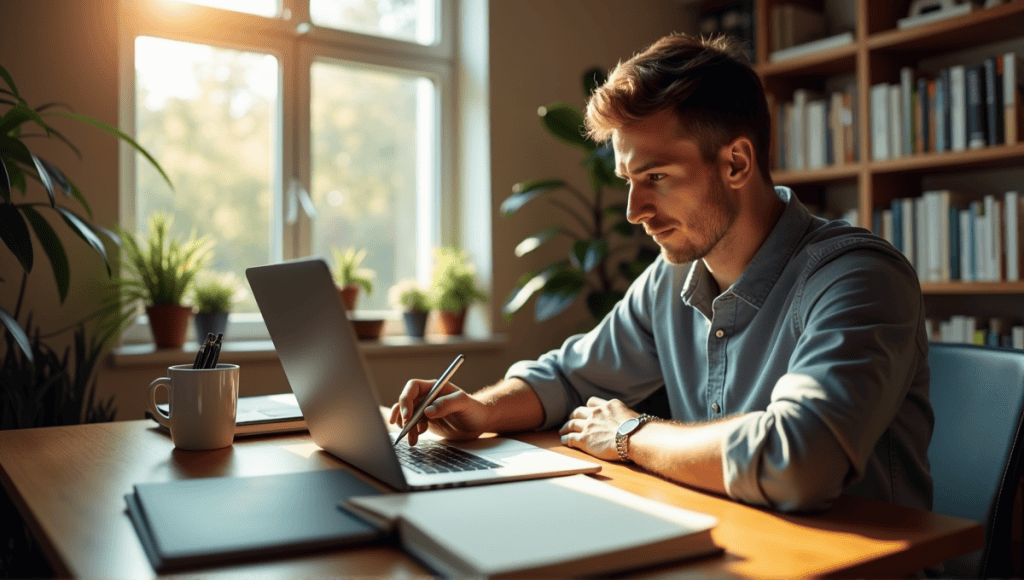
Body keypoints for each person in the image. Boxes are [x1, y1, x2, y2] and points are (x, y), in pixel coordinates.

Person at [390, 32, 932, 513]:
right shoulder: (672, 276)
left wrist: (630, 434)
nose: (634, 210)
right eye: (628, 178)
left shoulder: (859, 278)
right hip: (729, 543)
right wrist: (480, 409)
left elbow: (797, 461)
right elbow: (571, 377)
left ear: (737, 163)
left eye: (656, 176)